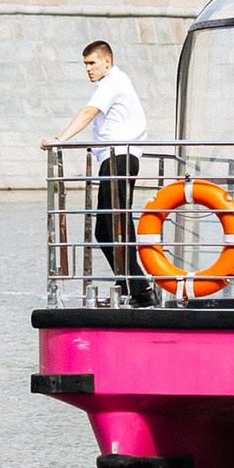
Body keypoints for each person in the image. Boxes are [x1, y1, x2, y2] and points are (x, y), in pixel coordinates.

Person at [48, 40, 156, 306]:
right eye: (85, 64)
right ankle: (128, 285)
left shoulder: (113, 82)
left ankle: (141, 289)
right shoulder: (112, 83)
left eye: (92, 63)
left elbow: (89, 112)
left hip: (120, 158)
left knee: (116, 224)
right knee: (103, 230)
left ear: (107, 62)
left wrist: (59, 139)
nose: (88, 68)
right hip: (113, 159)